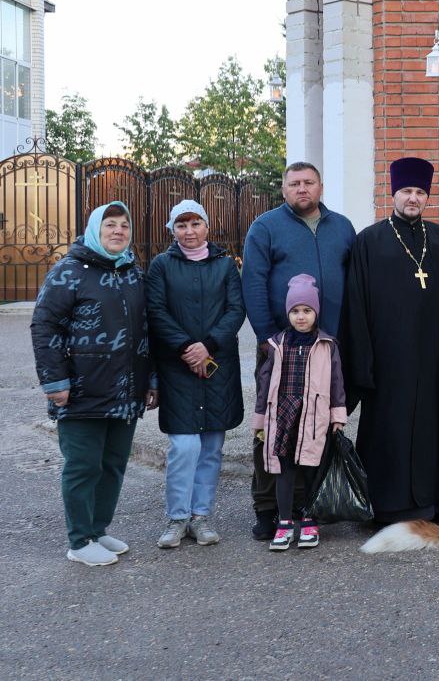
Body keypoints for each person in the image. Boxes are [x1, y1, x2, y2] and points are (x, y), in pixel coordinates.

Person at [342, 157, 439, 524]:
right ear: (393, 193)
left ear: (427, 196)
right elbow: (356, 305)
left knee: (431, 429)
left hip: (433, 358)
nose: (413, 198)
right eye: (406, 191)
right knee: (388, 429)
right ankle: (385, 506)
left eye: (419, 192)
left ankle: (435, 503)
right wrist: (364, 363)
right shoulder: (369, 241)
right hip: (388, 360)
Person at [30, 202, 156, 566]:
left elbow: (147, 329)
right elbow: (44, 326)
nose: (118, 231)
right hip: (80, 391)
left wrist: (151, 379)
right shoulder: (68, 271)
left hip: (126, 392)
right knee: (83, 465)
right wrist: (54, 381)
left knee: (113, 464)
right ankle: (79, 540)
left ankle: (98, 530)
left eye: (124, 225)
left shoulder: (133, 273)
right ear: (95, 230)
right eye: (110, 225)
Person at [241, 161, 356, 539]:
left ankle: (307, 505)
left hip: (324, 349)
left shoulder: (342, 227)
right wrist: (267, 338)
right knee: (272, 430)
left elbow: (353, 281)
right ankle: (267, 508)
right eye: (294, 184)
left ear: (320, 187)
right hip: (281, 348)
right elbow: (253, 282)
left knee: (316, 426)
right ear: (284, 189)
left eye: (308, 182)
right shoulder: (266, 228)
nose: (302, 189)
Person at [145, 200, 246, 549]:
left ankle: (201, 517)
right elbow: (156, 311)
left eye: (195, 224)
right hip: (179, 367)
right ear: (172, 230)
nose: (189, 231)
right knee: (184, 447)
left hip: (217, 366)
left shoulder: (225, 265)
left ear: (207, 226)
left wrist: (209, 345)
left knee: (212, 448)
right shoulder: (161, 266)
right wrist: (188, 347)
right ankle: (177, 518)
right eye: (181, 225)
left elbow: (236, 309)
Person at [253, 275, 348, 550]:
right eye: (295, 311)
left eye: (307, 310)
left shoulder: (327, 345)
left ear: (316, 312)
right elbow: (264, 383)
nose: (301, 316)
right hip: (283, 416)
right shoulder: (277, 344)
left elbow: (336, 383)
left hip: (314, 419)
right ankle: (284, 523)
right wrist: (260, 419)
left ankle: (309, 519)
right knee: (284, 471)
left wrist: (337, 417)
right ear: (288, 313)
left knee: (311, 471)